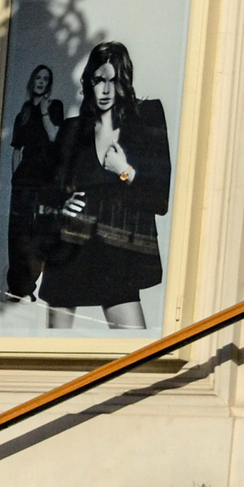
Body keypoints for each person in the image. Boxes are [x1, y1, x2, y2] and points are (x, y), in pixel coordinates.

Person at [41, 42, 171, 331]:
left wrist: (123, 170)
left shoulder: (145, 120)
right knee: (54, 354)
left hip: (116, 256)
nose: (106, 90)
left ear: (124, 81)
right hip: (69, 253)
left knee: (134, 355)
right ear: (89, 81)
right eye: (100, 80)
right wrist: (61, 205)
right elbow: (46, 192)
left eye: (114, 81)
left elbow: (159, 199)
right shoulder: (72, 130)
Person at [3, 65, 65, 301]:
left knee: (38, 234)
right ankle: (17, 288)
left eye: (45, 79)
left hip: (45, 183)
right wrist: (14, 178)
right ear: (33, 81)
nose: (41, 81)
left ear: (49, 84)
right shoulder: (24, 114)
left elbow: (55, 138)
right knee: (17, 235)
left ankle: (28, 285)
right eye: (38, 77)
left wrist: (46, 112)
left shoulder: (54, 107)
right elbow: (17, 150)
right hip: (23, 183)